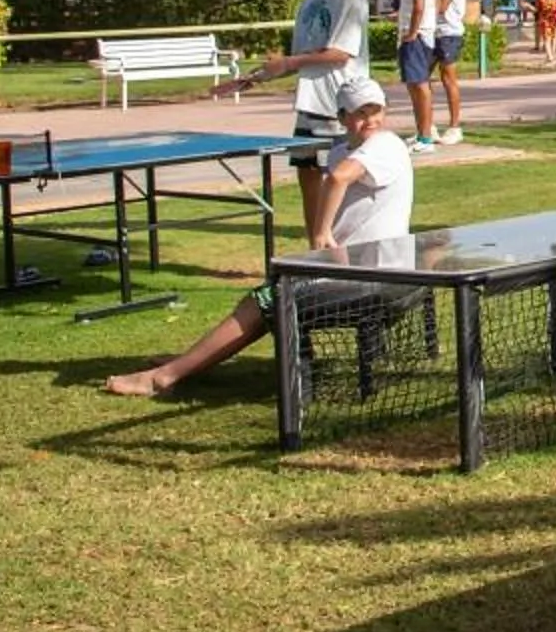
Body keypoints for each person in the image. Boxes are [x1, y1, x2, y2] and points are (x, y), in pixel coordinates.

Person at [105, 78, 413, 397]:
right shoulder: (342, 150)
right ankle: (190, 361)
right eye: (361, 113)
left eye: (376, 111)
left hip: (376, 275)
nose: (371, 120)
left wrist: (321, 234)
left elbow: (338, 178)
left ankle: (164, 377)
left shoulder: (385, 143)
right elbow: (334, 185)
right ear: (342, 117)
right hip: (352, 268)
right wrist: (321, 246)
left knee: (265, 299)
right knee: (264, 293)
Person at [225, 0, 373, 226]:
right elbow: (305, 56)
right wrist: (263, 75)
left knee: (337, 181)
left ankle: (337, 255)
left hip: (338, 104)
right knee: (308, 178)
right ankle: (315, 253)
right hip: (310, 105)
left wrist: (288, 63)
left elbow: (341, 53)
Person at [389, 0, 441, 151]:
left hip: (417, 39)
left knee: (420, 85)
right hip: (413, 36)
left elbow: (420, 5)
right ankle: (421, 132)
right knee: (413, 85)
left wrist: (413, 32)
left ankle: (427, 136)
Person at [423, 0, 469, 145]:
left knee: (448, 78)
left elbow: (442, 5)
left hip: (448, 32)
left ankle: (454, 126)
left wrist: (419, 11)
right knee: (421, 78)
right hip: (430, 31)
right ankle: (427, 125)